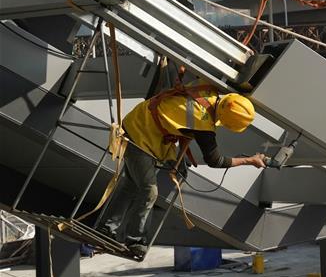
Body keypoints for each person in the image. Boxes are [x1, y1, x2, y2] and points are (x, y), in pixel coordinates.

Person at [96, 84, 266, 258]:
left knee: (131, 185)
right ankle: (136, 241)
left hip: (140, 122)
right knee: (149, 191)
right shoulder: (203, 123)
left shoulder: (209, 90)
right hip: (140, 135)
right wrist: (250, 160)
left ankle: (105, 229)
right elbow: (216, 160)